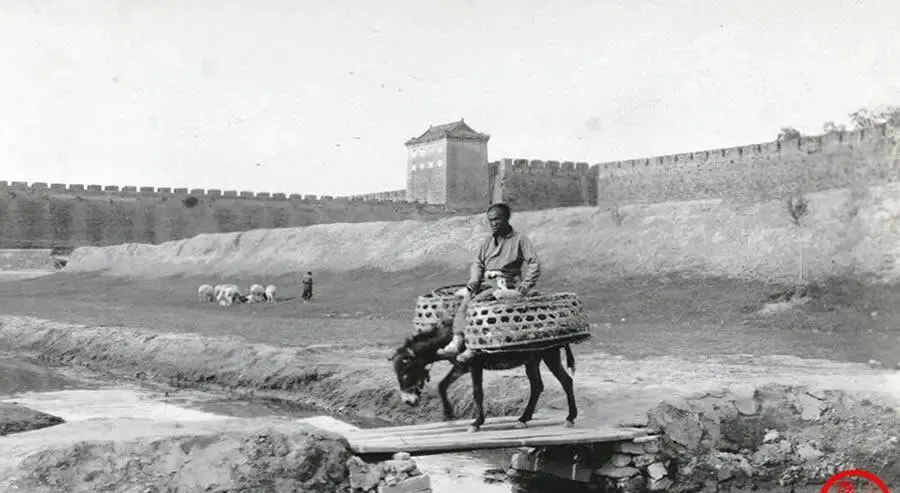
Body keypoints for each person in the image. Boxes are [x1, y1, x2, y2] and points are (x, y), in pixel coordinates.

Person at [436, 203, 541, 363]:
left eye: (497, 219)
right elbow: (477, 263)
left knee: (476, 304)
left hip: (505, 284)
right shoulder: (487, 242)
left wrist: (525, 285)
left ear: (506, 218)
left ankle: (473, 346)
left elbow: (534, 263)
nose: (493, 223)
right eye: (491, 220)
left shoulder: (520, 240)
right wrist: (474, 280)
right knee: (463, 300)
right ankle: (457, 340)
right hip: (485, 283)